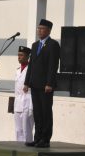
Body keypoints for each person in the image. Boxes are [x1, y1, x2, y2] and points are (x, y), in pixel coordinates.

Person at [23, 19, 60, 148]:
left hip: (46, 86)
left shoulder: (53, 44)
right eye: (38, 28)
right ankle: (37, 138)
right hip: (35, 84)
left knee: (46, 112)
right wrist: (27, 82)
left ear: (48, 30)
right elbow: (31, 65)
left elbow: (53, 65)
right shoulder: (34, 45)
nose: (39, 31)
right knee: (37, 112)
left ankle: (45, 139)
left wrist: (49, 83)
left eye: (42, 28)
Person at [14, 46, 34, 144]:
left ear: (27, 57)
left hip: (28, 102)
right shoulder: (17, 70)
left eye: (21, 55)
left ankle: (28, 147)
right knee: (18, 130)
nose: (19, 57)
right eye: (18, 55)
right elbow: (16, 90)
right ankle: (19, 148)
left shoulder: (31, 69)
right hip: (18, 102)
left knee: (27, 129)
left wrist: (31, 107)